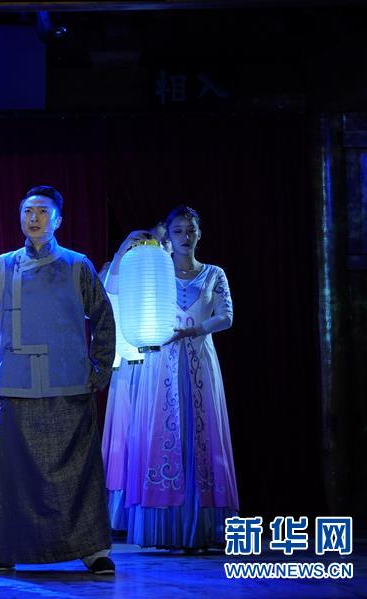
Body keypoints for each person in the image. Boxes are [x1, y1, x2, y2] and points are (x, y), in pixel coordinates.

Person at [0, 185, 117, 575]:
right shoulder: (5, 266)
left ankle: (92, 550)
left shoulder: (77, 265)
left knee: (78, 472)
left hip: (68, 381)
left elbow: (103, 315)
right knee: (12, 472)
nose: (34, 218)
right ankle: (3, 549)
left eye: (43, 212)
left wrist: (100, 368)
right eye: (28, 211)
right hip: (19, 382)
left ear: (58, 220)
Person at [123, 205, 238, 551]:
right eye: (178, 231)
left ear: (199, 234)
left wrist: (194, 331)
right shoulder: (156, 273)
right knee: (164, 431)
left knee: (203, 431)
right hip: (163, 363)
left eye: (190, 230)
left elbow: (226, 316)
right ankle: (167, 526)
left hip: (200, 358)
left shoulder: (214, 273)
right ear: (168, 236)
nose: (185, 237)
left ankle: (204, 525)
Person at [100, 221, 169, 530]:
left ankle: (160, 505)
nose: (158, 246)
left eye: (164, 241)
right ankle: (125, 511)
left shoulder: (171, 275)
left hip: (163, 366)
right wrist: (121, 253)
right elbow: (106, 298)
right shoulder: (125, 269)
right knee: (126, 436)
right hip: (130, 365)